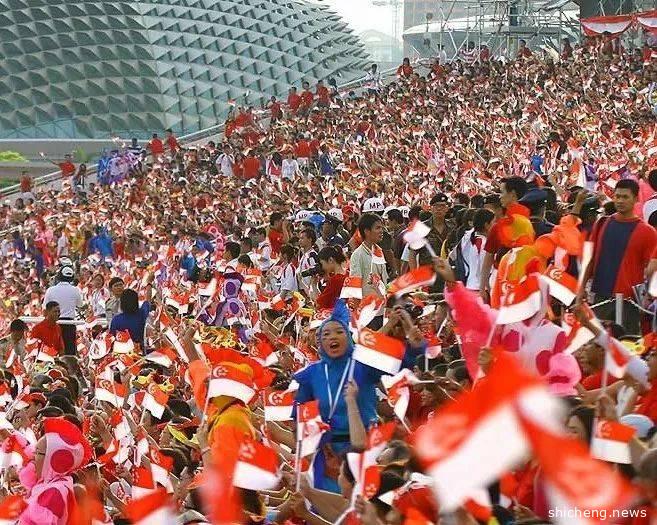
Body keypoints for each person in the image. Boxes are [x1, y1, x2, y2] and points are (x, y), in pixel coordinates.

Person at [579, 179, 657, 332]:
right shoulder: (601, 223)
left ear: (636, 199)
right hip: (601, 297)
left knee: (626, 342)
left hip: (629, 301)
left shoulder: (648, 232)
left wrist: (648, 297)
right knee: (599, 340)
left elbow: (652, 269)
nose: (620, 201)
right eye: (617, 196)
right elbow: (590, 259)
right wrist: (581, 288)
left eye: (625, 197)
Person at [479, 177, 528, 301]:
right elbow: (489, 257)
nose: (500, 197)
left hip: (525, 282)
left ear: (512, 194)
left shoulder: (529, 223)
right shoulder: (498, 227)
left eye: (502, 192)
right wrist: (482, 287)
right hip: (502, 282)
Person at [349, 213, 387, 329]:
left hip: (383, 310)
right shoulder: (358, 255)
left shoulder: (379, 251)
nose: (382, 231)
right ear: (366, 231)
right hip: (367, 313)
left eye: (382, 228)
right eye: (378, 228)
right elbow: (355, 287)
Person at [42, 267, 83, 355]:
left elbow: (44, 308)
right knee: (69, 353)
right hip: (69, 325)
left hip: (54, 323)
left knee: (53, 353)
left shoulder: (50, 290)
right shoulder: (76, 290)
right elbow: (80, 305)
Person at [109, 275, 154, 350]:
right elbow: (148, 299)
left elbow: (111, 339)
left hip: (121, 352)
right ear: (136, 302)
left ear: (122, 303)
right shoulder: (142, 313)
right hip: (140, 351)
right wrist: (149, 283)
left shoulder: (116, 320)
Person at [316, 246, 347, 310]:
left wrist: (313, 284)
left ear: (330, 260)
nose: (322, 267)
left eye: (322, 263)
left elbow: (319, 304)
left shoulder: (335, 280)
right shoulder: (348, 273)